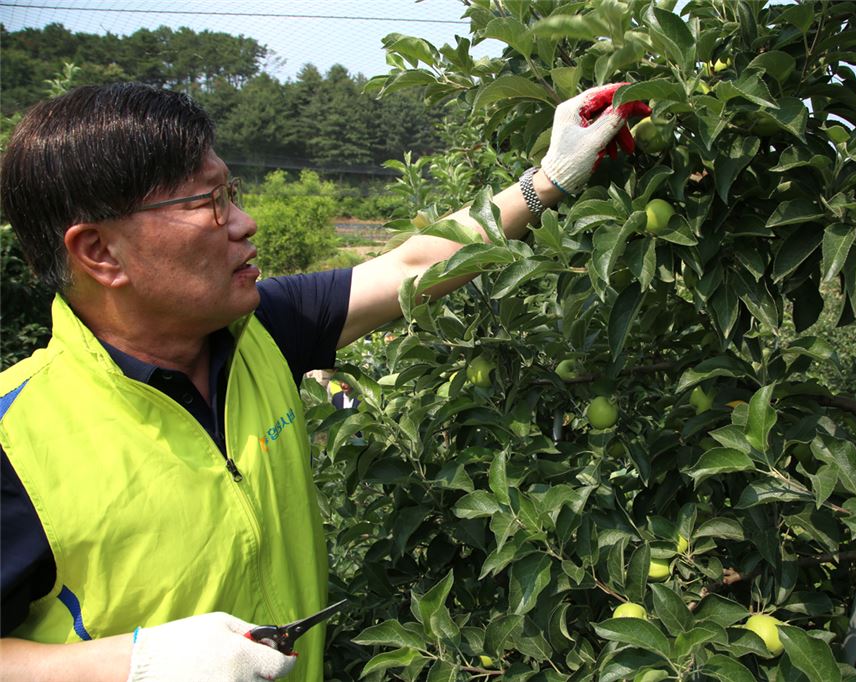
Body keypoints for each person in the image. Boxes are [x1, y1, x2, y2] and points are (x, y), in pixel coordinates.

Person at [0, 81, 648, 681]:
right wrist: (133, 664)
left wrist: (548, 179)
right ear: (100, 252)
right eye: (209, 202)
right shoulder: (16, 441)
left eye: (232, 193)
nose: (245, 222)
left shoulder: (261, 331)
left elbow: (411, 267)